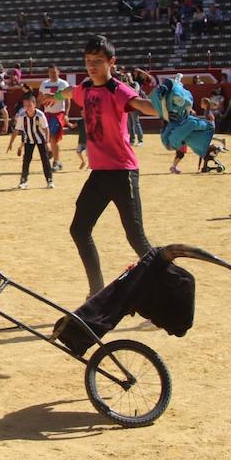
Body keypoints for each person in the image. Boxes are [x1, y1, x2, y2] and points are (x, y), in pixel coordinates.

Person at [69, 37, 160, 296]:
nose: (92, 66)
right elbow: (68, 92)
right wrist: (52, 95)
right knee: (79, 229)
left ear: (112, 62)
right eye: (88, 61)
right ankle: (96, 292)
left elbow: (144, 106)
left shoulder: (118, 90)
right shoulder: (84, 88)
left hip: (123, 172)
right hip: (99, 174)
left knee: (136, 237)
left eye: (98, 61)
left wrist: (164, 108)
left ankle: (169, 285)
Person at [13, 93, 54, 189]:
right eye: (25, 105)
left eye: (29, 105)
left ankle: (50, 180)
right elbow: (17, 129)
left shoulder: (40, 115)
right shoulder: (22, 116)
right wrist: (16, 144)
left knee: (45, 160)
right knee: (26, 160)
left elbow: (46, 129)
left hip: (41, 139)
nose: (27, 107)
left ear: (34, 104)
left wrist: (47, 142)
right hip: (29, 140)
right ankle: (24, 180)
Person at [39, 65, 72, 170]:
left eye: (54, 72)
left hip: (58, 113)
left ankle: (56, 162)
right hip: (46, 113)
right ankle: (53, 155)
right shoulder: (44, 84)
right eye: (50, 72)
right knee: (46, 137)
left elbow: (67, 100)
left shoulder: (63, 84)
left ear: (58, 72)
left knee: (53, 136)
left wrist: (66, 114)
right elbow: (39, 98)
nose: (52, 74)